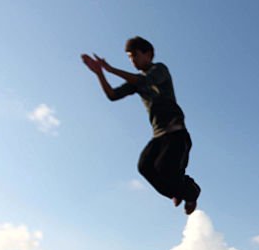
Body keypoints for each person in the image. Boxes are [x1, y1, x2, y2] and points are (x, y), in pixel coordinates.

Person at [81, 37, 201, 214]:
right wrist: (100, 73)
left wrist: (111, 69)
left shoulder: (160, 70)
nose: (132, 61)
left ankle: (191, 192)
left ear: (148, 54)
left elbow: (143, 81)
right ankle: (176, 191)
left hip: (176, 134)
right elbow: (113, 95)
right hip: (159, 135)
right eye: (129, 57)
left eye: (135, 55)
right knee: (145, 167)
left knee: (165, 168)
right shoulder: (136, 81)